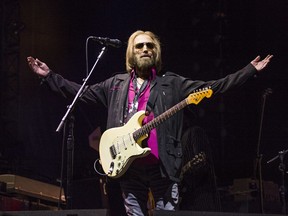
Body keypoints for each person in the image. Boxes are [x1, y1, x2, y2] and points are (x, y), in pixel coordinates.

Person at [27, 30, 273, 216]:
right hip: (128, 166)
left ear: (156, 52)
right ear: (131, 54)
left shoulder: (173, 84)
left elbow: (214, 87)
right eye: (139, 46)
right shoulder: (116, 84)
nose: (144, 49)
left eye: (149, 46)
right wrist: (50, 77)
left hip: (163, 168)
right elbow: (81, 92)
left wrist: (249, 70)